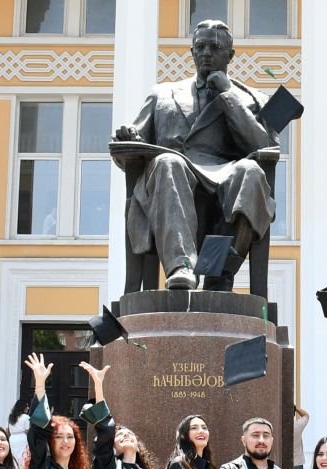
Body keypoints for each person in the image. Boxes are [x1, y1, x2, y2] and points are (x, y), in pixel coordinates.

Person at [112, 19, 281, 290]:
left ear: (230, 55)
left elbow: (263, 147)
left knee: (250, 172)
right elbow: (132, 145)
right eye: (200, 47)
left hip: (224, 175)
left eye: (214, 47)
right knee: (169, 162)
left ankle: (218, 269)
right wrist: (128, 135)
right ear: (191, 52)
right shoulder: (162, 94)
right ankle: (182, 266)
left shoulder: (253, 98)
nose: (206, 53)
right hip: (172, 176)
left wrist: (228, 95)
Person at [8, 397, 30, 469]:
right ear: (22, 407)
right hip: (22, 439)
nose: (28, 408)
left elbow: (8, 429)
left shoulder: (11, 417)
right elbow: (28, 430)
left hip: (12, 438)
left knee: (13, 457)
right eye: (27, 406)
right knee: (22, 457)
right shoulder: (26, 417)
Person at [292, 404, 310, 469]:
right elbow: (306, 415)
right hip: (297, 464)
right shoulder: (297, 425)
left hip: (279, 466)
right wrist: (295, 408)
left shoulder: (275, 428)